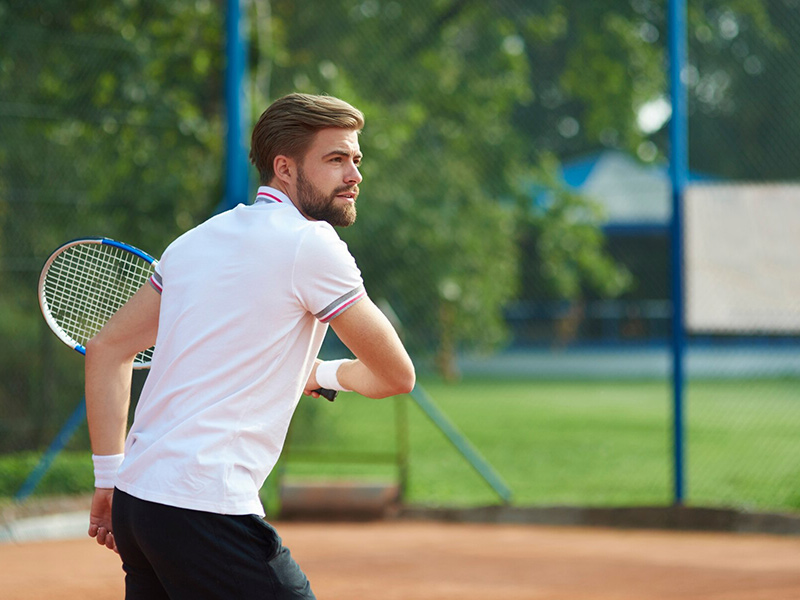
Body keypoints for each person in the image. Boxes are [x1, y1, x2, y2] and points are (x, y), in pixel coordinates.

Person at [84, 92, 415, 599]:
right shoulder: (312, 245)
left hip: (138, 503)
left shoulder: (194, 241)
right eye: (335, 159)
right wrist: (325, 375)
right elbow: (396, 375)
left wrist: (107, 479)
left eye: (356, 159)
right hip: (204, 506)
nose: (354, 174)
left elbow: (108, 348)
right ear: (284, 167)